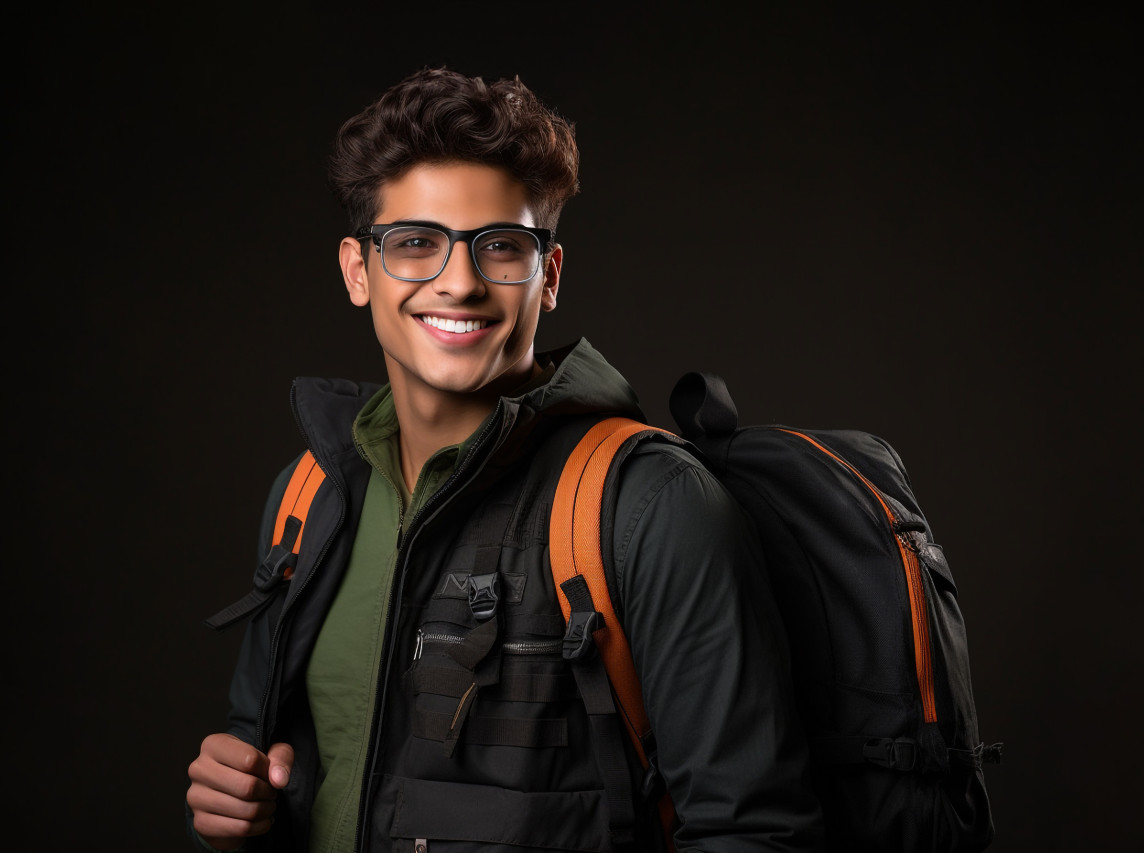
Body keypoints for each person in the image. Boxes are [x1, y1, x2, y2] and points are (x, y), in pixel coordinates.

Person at [185, 65, 824, 852]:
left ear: (547, 276)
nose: (459, 283)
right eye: (415, 243)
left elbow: (757, 831)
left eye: (502, 246)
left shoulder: (651, 505)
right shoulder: (310, 494)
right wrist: (237, 809)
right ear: (358, 271)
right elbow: (271, 764)